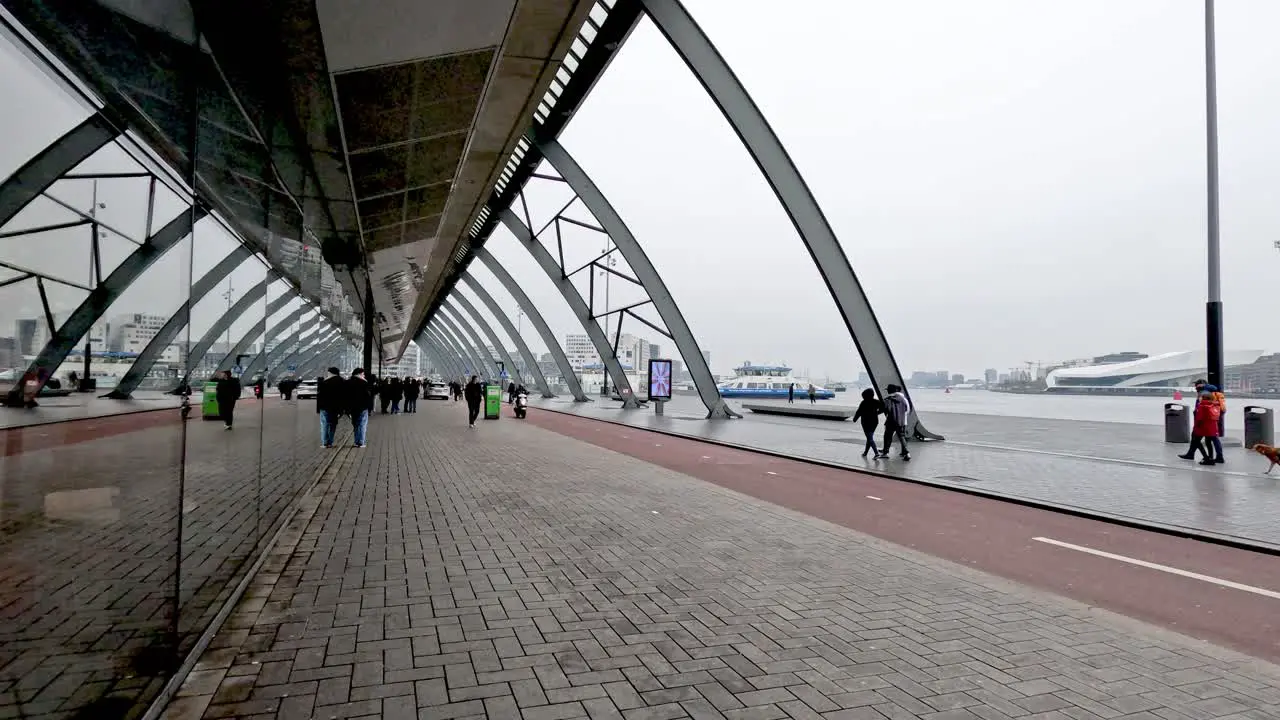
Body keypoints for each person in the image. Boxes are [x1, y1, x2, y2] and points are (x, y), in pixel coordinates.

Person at [1179, 379, 1208, 460]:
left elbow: (1204, 408)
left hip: (1201, 421)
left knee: (1196, 439)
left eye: (1196, 385)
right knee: (1195, 438)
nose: (1195, 387)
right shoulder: (1202, 393)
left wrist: (1198, 415)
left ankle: (1206, 457)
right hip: (1199, 420)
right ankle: (1190, 454)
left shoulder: (1204, 393)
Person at [316, 367, 345, 448]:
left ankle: (325, 442)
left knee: (324, 425)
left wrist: (318, 409)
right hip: (335, 408)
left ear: (330, 373)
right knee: (332, 425)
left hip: (324, 407)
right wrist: (342, 409)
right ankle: (330, 442)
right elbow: (344, 397)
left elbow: (319, 396)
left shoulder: (324, 382)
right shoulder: (342, 381)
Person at [880, 384, 911, 460]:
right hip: (901, 421)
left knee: (887, 436)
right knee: (902, 437)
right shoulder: (902, 399)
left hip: (891, 421)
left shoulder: (888, 400)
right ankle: (907, 453)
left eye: (888, 390)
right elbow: (907, 409)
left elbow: (885, 409)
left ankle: (885, 453)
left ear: (889, 391)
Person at [1192, 388, 1221, 465]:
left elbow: (1199, 418)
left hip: (1203, 427)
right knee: (1208, 442)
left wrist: (1196, 427)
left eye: (1201, 397)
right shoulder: (1215, 405)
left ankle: (1206, 457)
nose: (1199, 398)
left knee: (1196, 441)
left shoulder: (1202, 406)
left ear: (1204, 398)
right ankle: (1211, 457)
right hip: (1213, 427)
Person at [851, 388, 883, 458]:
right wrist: (876, 413)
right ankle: (865, 452)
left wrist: (854, 419)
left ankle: (876, 453)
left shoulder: (863, 402)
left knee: (869, 438)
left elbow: (858, 412)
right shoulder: (876, 401)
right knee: (869, 437)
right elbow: (883, 409)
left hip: (865, 422)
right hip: (874, 421)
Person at [345, 368, 373, 448]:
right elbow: (368, 396)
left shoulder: (347, 382)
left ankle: (356, 441)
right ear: (360, 374)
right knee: (362, 425)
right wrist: (369, 407)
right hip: (363, 407)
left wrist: (347, 409)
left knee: (356, 425)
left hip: (353, 408)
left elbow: (345, 397)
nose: (364, 375)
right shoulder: (364, 383)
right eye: (363, 374)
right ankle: (360, 442)